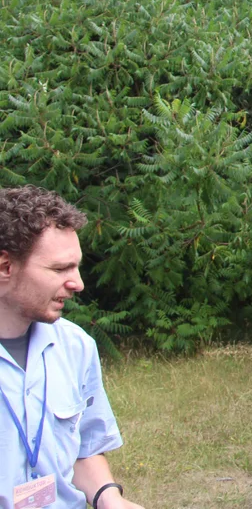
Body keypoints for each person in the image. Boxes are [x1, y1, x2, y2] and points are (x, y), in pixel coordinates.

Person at [0, 186, 144, 509]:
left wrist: (109, 498)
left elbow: (84, 448)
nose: (77, 283)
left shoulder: (77, 347)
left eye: (76, 267)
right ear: (5, 267)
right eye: (60, 268)